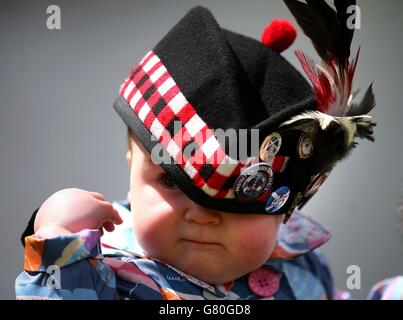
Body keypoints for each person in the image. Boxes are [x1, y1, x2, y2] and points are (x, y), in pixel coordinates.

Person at [15, 2, 376, 300]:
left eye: (240, 195)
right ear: (131, 164)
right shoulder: (102, 271)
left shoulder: (304, 268)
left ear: (287, 209)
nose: (202, 216)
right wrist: (61, 236)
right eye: (171, 180)